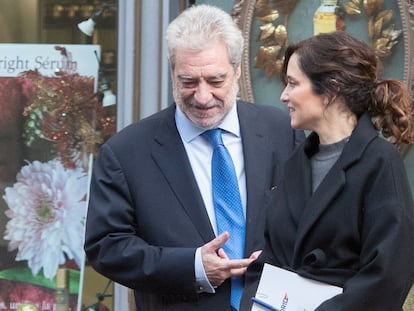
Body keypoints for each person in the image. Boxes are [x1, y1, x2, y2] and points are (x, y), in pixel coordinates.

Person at [84, 4, 303, 311]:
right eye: (188, 81)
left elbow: (309, 222)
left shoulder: (282, 131)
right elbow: (106, 247)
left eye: (215, 80)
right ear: (172, 71)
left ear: (237, 70)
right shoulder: (126, 153)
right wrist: (193, 266)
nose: (202, 97)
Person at [241, 31, 414, 311]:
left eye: (293, 84)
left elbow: (389, 275)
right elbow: (268, 257)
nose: (284, 95)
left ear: (331, 90)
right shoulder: (297, 161)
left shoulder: (380, 162)